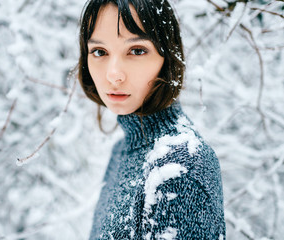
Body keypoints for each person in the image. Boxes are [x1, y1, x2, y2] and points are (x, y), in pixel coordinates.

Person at [77, 0, 226, 239]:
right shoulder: (122, 151)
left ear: (167, 57)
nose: (113, 74)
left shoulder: (182, 165)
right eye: (100, 52)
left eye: (136, 50)